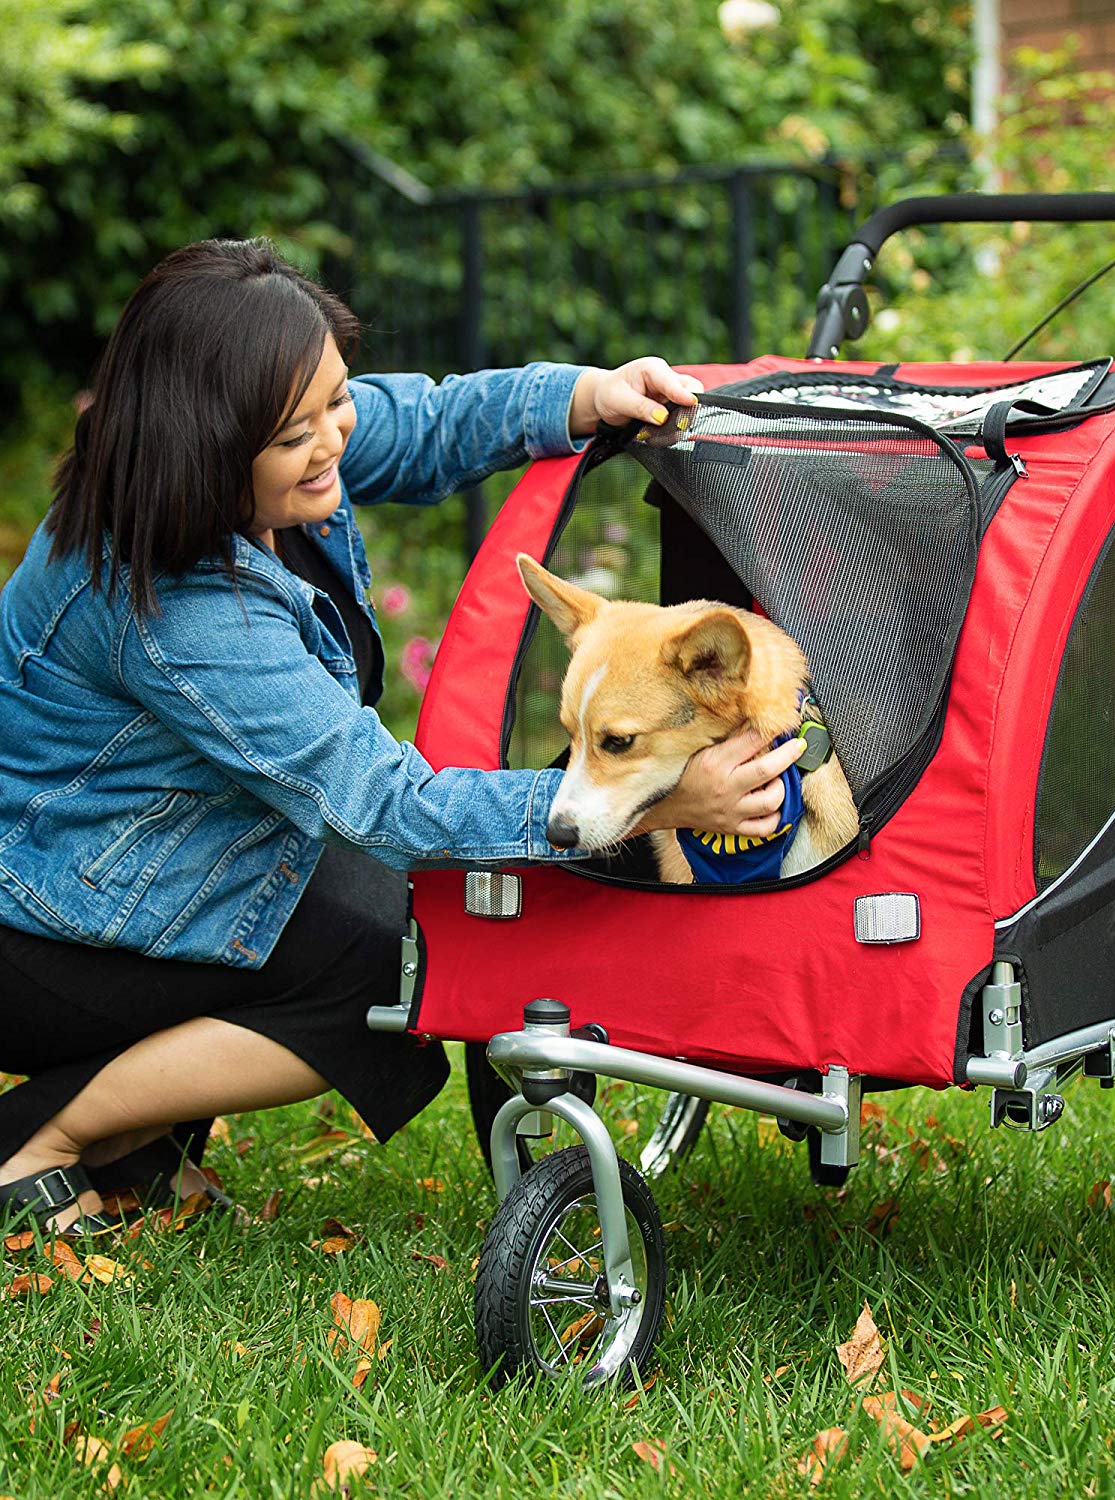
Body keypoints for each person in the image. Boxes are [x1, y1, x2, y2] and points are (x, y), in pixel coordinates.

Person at [0, 239, 803, 1235]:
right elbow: (387, 805)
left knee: (413, 918)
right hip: (54, 926)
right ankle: (40, 1138)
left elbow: (416, 422)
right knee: (410, 958)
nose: (335, 434)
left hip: (155, 861)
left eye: (334, 397)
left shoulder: (239, 467)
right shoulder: (182, 614)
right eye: (299, 429)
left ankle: (133, 1145)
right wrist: (647, 799)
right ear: (211, 443)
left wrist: (582, 395)